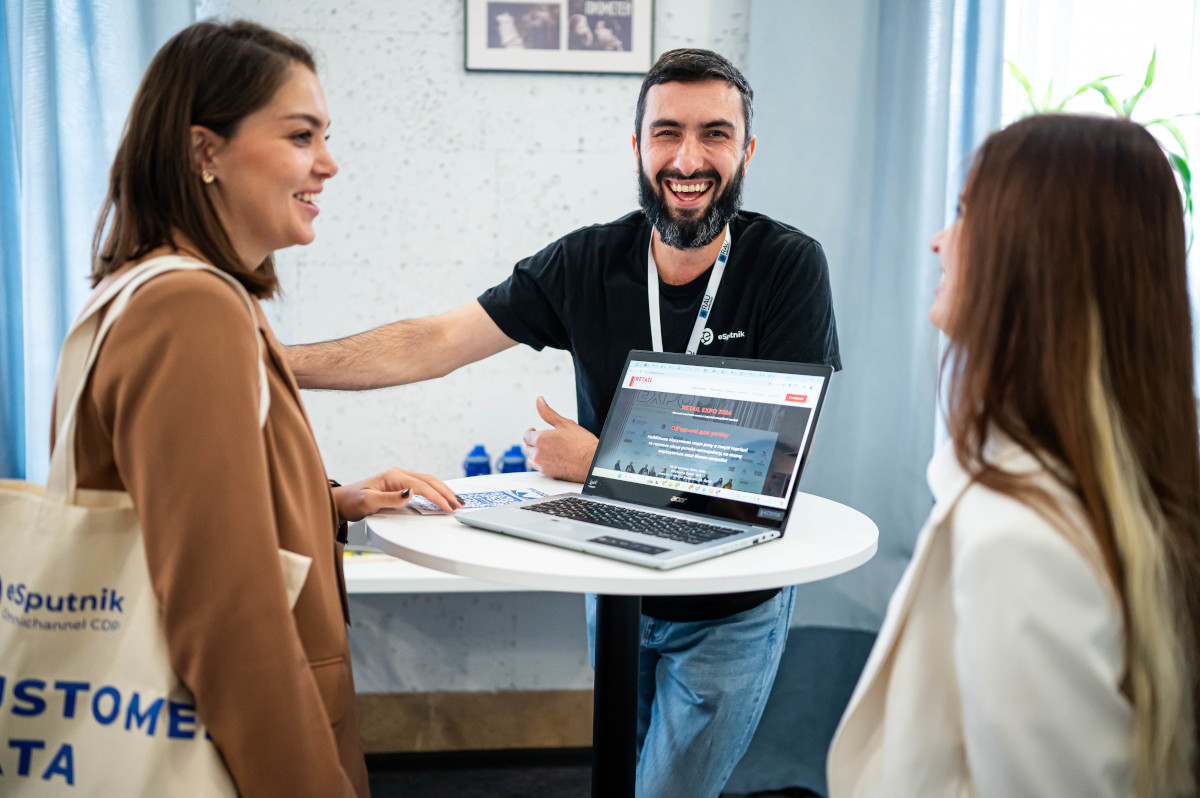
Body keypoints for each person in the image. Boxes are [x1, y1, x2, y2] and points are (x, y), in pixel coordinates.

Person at [288, 48, 840, 798]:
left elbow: (768, 466)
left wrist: (599, 461)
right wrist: (270, 361)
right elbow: (435, 342)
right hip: (615, 588)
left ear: (746, 151)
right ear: (637, 145)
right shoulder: (589, 260)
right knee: (615, 779)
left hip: (730, 604)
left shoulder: (788, 265)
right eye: (667, 132)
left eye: (715, 134)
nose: (688, 160)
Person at [69, 20, 460, 797]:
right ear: (204, 152)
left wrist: (329, 501)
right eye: (300, 136)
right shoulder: (189, 309)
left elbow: (183, 517)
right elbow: (227, 615)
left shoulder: (153, 290)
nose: (328, 163)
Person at [827, 114, 1200, 798]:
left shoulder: (1020, 540)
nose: (938, 241)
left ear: (1037, 259)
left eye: (966, 214)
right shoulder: (1117, 485)